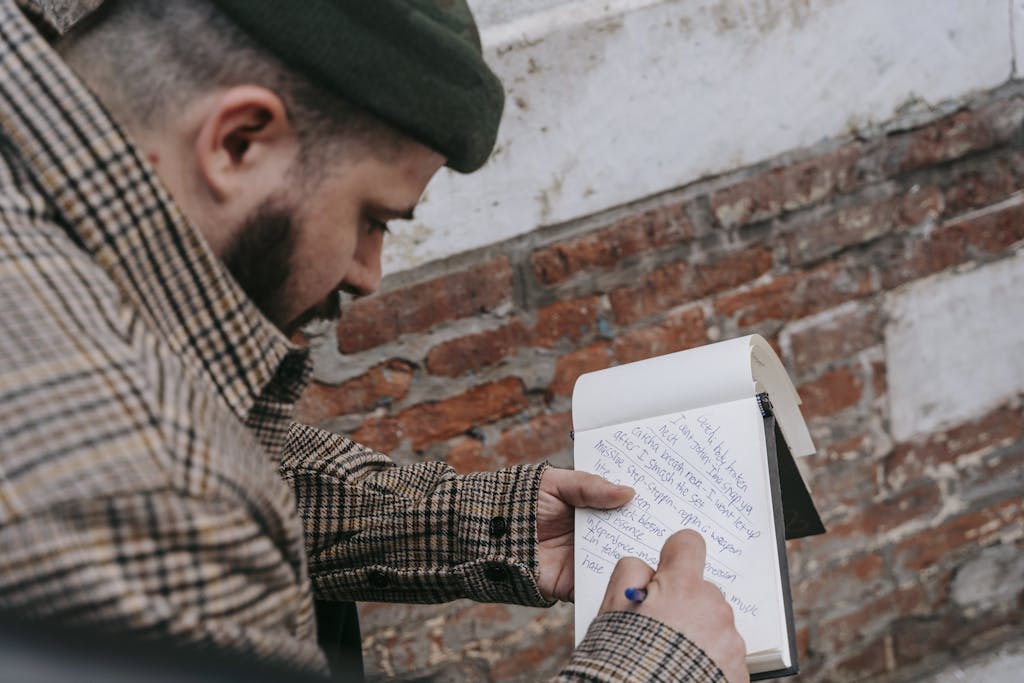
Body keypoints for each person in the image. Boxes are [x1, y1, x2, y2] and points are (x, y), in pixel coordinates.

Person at [0, 0, 748, 681]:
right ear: (236, 142)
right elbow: (172, 490)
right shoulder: (153, 490)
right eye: (372, 217)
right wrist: (658, 666)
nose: (368, 273)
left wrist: (477, 523)